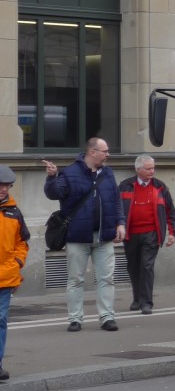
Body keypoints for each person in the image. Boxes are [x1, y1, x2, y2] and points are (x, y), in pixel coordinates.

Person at [44, 138, 126, 332]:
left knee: (107, 279)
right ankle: (75, 319)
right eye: (105, 151)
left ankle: (107, 317)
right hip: (77, 236)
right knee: (75, 279)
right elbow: (53, 194)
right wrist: (52, 177)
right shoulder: (70, 172)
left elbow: (116, 200)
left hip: (104, 236)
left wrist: (120, 223)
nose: (108, 155)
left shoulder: (107, 172)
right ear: (92, 152)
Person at [118, 154, 175, 314]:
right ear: (138, 169)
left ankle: (147, 302)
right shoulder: (125, 186)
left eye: (153, 168)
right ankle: (137, 298)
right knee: (133, 266)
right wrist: (116, 229)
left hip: (151, 233)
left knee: (146, 266)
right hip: (130, 234)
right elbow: (116, 210)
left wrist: (172, 232)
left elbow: (170, 211)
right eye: (148, 168)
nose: (152, 171)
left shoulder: (160, 187)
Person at [0, 165, 30, 381]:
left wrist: (17, 262)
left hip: (6, 277)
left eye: (7, 185)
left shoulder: (14, 212)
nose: (3, 189)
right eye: (0, 185)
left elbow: (22, 242)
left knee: (0, 320)